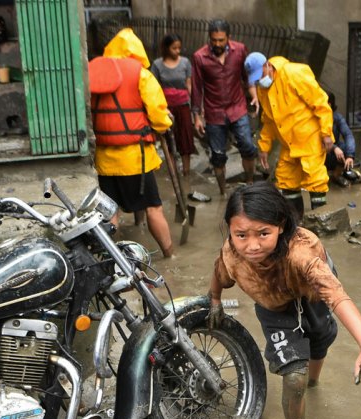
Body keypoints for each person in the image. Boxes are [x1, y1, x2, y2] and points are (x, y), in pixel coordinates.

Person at [207, 181, 361, 419]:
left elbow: (336, 297)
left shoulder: (301, 255)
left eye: (263, 233)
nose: (252, 246)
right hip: (273, 304)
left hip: (312, 292)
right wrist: (215, 300)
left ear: (280, 226)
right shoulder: (233, 255)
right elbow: (219, 272)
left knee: (320, 338)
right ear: (231, 232)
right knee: (294, 378)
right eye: (241, 235)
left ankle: (314, 382)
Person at [89, 28, 174, 258]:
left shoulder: (94, 71)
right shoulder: (141, 74)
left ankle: (107, 259)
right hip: (135, 159)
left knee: (110, 212)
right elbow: (158, 114)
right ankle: (170, 255)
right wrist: (163, 126)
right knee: (153, 208)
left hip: (104, 160)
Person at [244, 52, 333, 218]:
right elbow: (269, 121)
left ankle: (321, 225)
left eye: (261, 74)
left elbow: (320, 102)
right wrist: (264, 146)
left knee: (316, 181)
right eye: (256, 78)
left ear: (268, 65)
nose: (260, 79)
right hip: (289, 143)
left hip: (310, 138)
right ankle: (296, 224)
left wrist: (326, 133)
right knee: (286, 181)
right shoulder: (263, 89)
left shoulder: (293, 73)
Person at [191, 19, 259, 196]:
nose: (217, 44)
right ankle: (222, 192)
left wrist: (254, 95)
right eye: (214, 40)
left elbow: (247, 76)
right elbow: (197, 87)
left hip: (238, 108)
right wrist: (196, 116)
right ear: (209, 38)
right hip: (214, 113)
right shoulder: (200, 57)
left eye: (221, 40)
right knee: (218, 155)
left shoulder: (240, 50)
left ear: (229, 37)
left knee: (247, 147)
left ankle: (250, 183)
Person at [151, 33, 197, 177]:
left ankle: (186, 172)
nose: (177, 51)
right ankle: (173, 172)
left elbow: (189, 85)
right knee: (169, 139)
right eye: (174, 48)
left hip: (183, 105)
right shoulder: (157, 65)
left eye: (179, 48)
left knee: (186, 138)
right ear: (166, 48)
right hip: (166, 108)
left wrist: (194, 107)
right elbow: (154, 87)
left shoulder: (185, 63)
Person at [325, 92, 356, 188]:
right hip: (319, 153)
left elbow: (348, 135)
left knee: (344, 147)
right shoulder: (315, 118)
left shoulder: (337, 118)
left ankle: (337, 175)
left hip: (332, 156)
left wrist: (350, 155)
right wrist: (334, 148)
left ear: (329, 104)